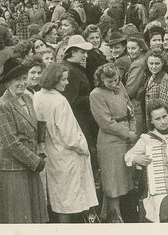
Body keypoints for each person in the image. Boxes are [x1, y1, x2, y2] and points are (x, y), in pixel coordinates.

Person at [33, 63, 99, 222]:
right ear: (53, 80)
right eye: (63, 80)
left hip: (50, 152)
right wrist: (84, 147)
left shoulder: (37, 96)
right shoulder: (59, 101)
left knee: (59, 198)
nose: (67, 83)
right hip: (66, 154)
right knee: (68, 202)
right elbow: (69, 136)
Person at [0, 59, 49, 223]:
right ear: (8, 81)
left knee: (33, 215)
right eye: (17, 79)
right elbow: (11, 143)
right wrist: (35, 161)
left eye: (24, 78)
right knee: (19, 217)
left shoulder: (27, 98)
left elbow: (35, 128)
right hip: (13, 168)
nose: (22, 83)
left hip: (30, 164)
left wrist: (41, 149)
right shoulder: (2, 105)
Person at [89, 63, 137, 222]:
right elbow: (105, 123)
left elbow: (130, 109)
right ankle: (115, 218)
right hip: (110, 141)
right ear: (101, 80)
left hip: (127, 138)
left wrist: (133, 129)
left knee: (125, 177)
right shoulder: (96, 94)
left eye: (116, 80)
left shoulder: (120, 86)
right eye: (109, 82)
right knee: (112, 180)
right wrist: (127, 133)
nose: (114, 84)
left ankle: (109, 215)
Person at [125, 35, 150, 135]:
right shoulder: (143, 59)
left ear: (141, 48)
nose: (130, 51)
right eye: (129, 48)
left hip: (136, 104)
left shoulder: (138, 64)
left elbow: (130, 90)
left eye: (133, 48)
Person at [83, 24, 109, 89]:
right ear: (86, 40)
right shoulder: (87, 55)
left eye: (97, 37)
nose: (95, 41)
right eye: (92, 38)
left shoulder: (99, 52)